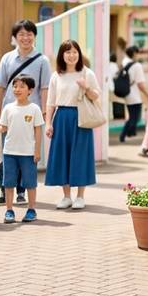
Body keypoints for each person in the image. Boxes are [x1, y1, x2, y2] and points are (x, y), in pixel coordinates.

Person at [0, 20, 51, 205]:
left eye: (29, 34)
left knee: (27, 152)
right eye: (21, 34)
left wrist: (45, 114)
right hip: (9, 113)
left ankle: (22, 191)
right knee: (6, 151)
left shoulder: (42, 60)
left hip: (31, 115)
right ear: (15, 37)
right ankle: (4, 189)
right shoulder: (7, 58)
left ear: (34, 36)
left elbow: (45, 89)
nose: (25, 38)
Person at [45, 40, 99, 209]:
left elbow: (96, 96)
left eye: (75, 52)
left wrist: (86, 87)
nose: (71, 55)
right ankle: (66, 196)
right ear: (62, 55)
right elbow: (50, 102)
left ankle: (80, 196)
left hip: (81, 117)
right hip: (61, 117)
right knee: (62, 155)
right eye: (68, 52)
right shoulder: (56, 75)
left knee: (81, 155)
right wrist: (48, 124)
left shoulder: (87, 73)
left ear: (79, 54)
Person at [0, 76, 43, 223]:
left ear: (30, 90)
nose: (17, 89)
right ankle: (9, 211)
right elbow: (2, 128)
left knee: (30, 183)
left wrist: (37, 151)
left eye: (22, 86)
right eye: (15, 86)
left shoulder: (34, 109)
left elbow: (38, 131)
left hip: (28, 153)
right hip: (9, 153)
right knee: (9, 183)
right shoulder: (8, 108)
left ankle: (31, 210)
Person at [116, 46, 148, 143]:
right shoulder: (137, 66)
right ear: (134, 53)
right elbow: (140, 84)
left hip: (127, 93)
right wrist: (147, 93)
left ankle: (129, 133)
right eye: (138, 53)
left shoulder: (124, 63)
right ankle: (123, 135)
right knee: (134, 118)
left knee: (132, 116)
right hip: (135, 95)